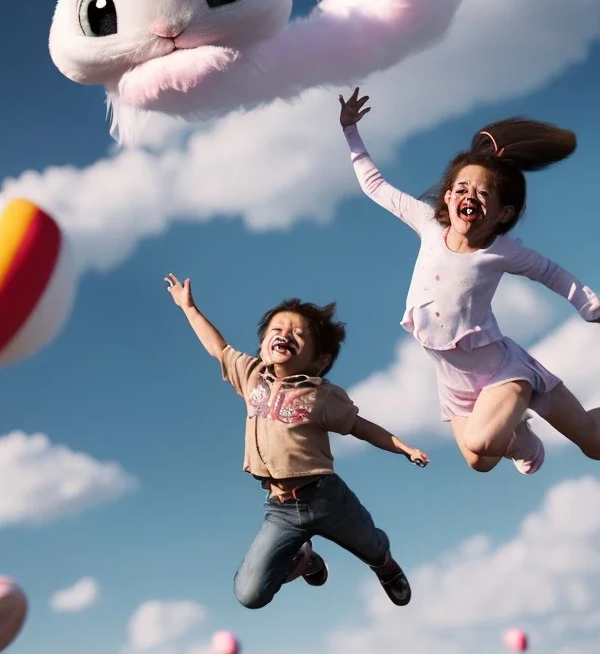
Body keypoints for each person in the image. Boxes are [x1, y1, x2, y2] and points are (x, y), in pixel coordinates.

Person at [338, 87, 600, 476]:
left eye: (484, 193)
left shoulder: (502, 250)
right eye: (462, 188)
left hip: (501, 371)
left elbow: (551, 272)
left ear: (502, 213)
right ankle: (522, 434)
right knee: (482, 460)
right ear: (446, 197)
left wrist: (588, 304)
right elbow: (376, 186)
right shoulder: (428, 224)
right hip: (454, 377)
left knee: (586, 445)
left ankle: (521, 402)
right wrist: (350, 132)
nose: (470, 196)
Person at [164, 273, 429, 609]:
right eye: (277, 331)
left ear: (319, 361)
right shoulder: (250, 376)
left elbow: (360, 426)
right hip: (280, 509)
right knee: (250, 594)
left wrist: (402, 446)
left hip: (326, 499)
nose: (285, 336)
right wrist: (189, 308)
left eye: (297, 335)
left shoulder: (323, 396)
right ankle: (305, 560)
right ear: (262, 345)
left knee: (372, 546)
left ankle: (386, 567)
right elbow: (218, 347)